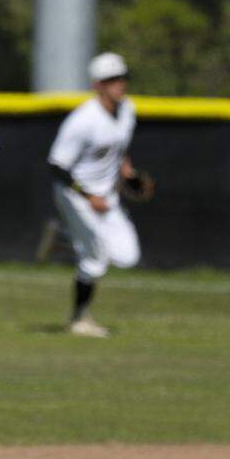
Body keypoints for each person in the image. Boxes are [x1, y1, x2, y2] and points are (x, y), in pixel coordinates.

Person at [48, 52, 141, 338]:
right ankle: (79, 320)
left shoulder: (127, 111)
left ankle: (65, 238)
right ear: (97, 85)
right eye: (111, 80)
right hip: (75, 194)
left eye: (121, 78)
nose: (119, 84)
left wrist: (127, 171)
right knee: (95, 258)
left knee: (127, 257)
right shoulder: (83, 120)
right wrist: (88, 196)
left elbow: (118, 147)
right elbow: (57, 166)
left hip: (106, 196)